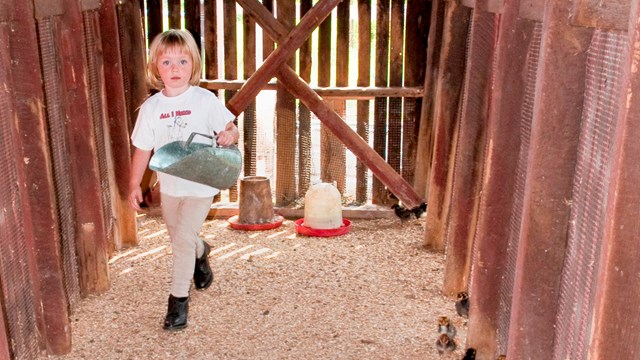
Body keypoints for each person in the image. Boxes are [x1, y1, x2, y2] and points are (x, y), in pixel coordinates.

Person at [128, 29, 239, 331]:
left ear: (193, 64)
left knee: (180, 243)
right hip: (170, 186)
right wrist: (134, 184)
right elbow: (142, 149)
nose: (175, 69)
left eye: (182, 61)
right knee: (182, 237)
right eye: (166, 63)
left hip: (201, 184)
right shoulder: (151, 109)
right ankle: (202, 252)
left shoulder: (204, 100)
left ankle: (178, 304)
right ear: (155, 68)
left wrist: (229, 135)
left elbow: (231, 127)